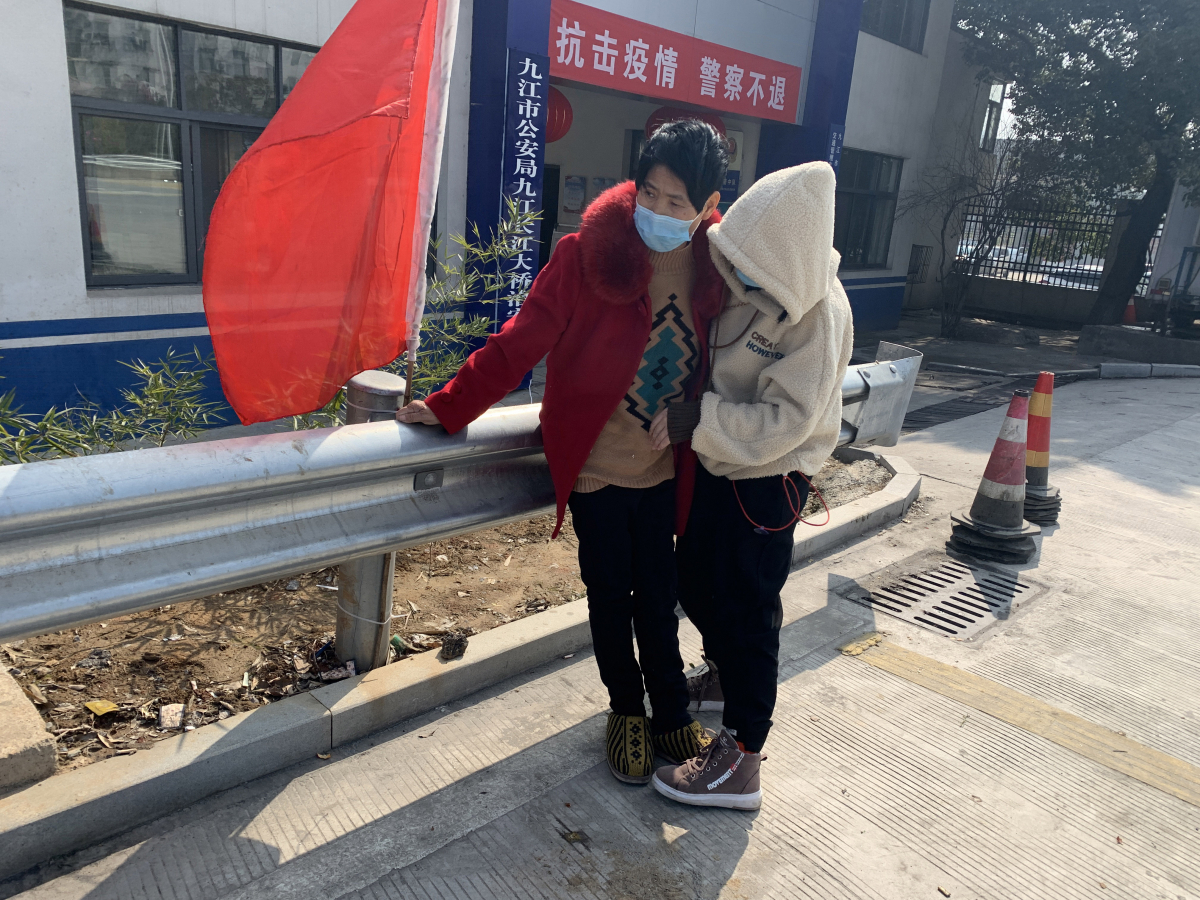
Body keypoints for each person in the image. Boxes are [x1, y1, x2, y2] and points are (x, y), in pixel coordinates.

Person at [396, 120, 730, 785]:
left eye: (678, 204)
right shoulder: (588, 255)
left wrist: (701, 416)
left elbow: (727, 365)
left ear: (706, 208)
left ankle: (669, 710)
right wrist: (448, 404)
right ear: (636, 186)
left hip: (667, 471)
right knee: (611, 595)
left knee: (659, 600)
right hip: (599, 470)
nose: (659, 213)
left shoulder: (713, 272)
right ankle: (626, 712)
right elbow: (520, 341)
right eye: (652, 194)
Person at [645, 161, 854, 810]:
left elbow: (784, 422)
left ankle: (742, 754)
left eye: (751, 268)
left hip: (767, 480)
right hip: (718, 463)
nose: (737, 278)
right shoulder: (746, 273)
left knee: (749, 611)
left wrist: (695, 419)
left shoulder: (816, 316)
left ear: (788, 261)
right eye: (733, 259)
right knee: (695, 581)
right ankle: (724, 675)